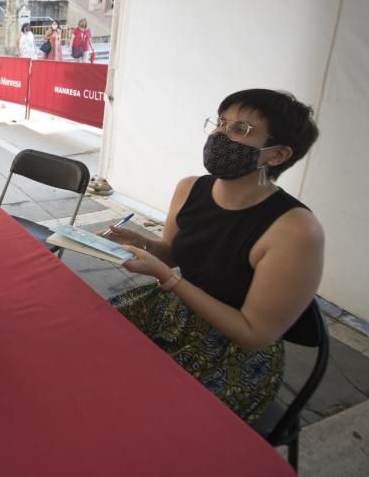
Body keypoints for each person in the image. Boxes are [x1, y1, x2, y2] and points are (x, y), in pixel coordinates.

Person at [106, 89, 323, 423]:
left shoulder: (295, 231)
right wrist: (143, 242)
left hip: (232, 352)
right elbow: (173, 255)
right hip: (174, 311)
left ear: (277, 155)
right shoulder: (191, 188)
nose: (221, 135)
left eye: (240, 129)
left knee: (141, 411)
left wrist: (168, 278)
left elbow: (253, 334)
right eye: (221, 123)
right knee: (90, 348)